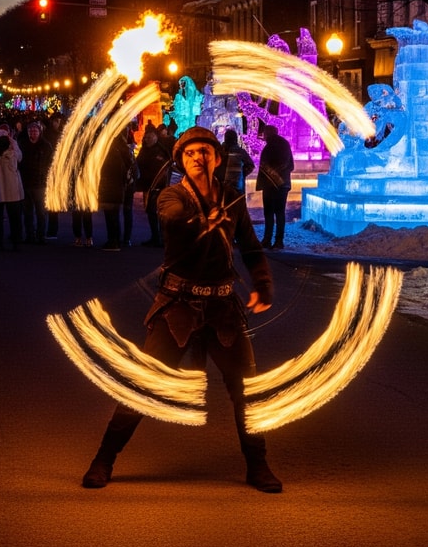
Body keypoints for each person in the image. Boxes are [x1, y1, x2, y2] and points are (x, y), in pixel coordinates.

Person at [80, 126, 281, 494]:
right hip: (179, 308)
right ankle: (103, 459)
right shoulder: (171, 197)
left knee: (247, 391)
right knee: (145, 384)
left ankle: (258, 464)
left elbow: (251, 248)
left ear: (218, 158)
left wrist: (263, 284)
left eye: (205, 152)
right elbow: (173, 223)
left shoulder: (232, 199)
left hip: (222, 307)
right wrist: (203, 221)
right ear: (181, 162)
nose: (197, 158)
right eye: (190, 154)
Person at [255, 123, 293, 249]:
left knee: (269, 213)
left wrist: (272, 177)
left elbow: (265, 167)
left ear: (269, 133)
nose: (263, 136)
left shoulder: (270, 147)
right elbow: (291, 166)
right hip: (283, 185)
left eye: (265, 133)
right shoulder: (285, 144)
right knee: (280, 213)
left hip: (270, 185)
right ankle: (278, 241)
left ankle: (267, 239)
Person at [97, 128, 135, 251]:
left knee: (111, 214)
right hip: (116, 185)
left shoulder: (112, 149)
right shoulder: (122, 148)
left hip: (112, 184)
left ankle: (114, 241)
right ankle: (115, 240)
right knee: (113, 213)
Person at [135, 127, 171, 247]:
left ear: (155, 137)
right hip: (148, 185)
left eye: (150, 137)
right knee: (150, 212)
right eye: (146, 137)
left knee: (157, 212)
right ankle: (155, 236)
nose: (147, 139)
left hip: (158, 186)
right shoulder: (144, 150)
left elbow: (162, 169)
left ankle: (161, 237)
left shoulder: (160, 151)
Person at [0, 132, 25, 250]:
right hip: (12, 190)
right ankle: (16, 242)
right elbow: (20, 157)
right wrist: (13, 142)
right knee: (15, 218)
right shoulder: (13, 152)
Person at [18, 121, 53, 244]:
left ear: (39, 132)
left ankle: (41, 235)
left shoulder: (46, 146)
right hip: (26, 183)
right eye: (30, 131)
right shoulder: (22, 145)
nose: (32, 133)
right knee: (27, 212)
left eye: (35, 131)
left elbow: (50, 164)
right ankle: (29, 235)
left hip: (40, 184)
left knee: (40, 212)